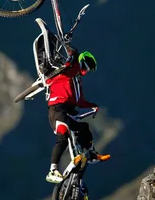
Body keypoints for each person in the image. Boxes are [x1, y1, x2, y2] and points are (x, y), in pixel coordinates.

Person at [45, 50, 110, 183]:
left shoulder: (76, 80)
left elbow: (79, 101)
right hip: (57, 110)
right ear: (80, 63)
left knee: (84, 128)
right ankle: (52, 171)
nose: (85, 71)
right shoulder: (71, 69)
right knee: (62, 137)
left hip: (67, 112)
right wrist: (73, 52)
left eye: (88, 70)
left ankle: (91, 154)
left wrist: (92, 105)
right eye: (85, 67)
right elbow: (70, 60)